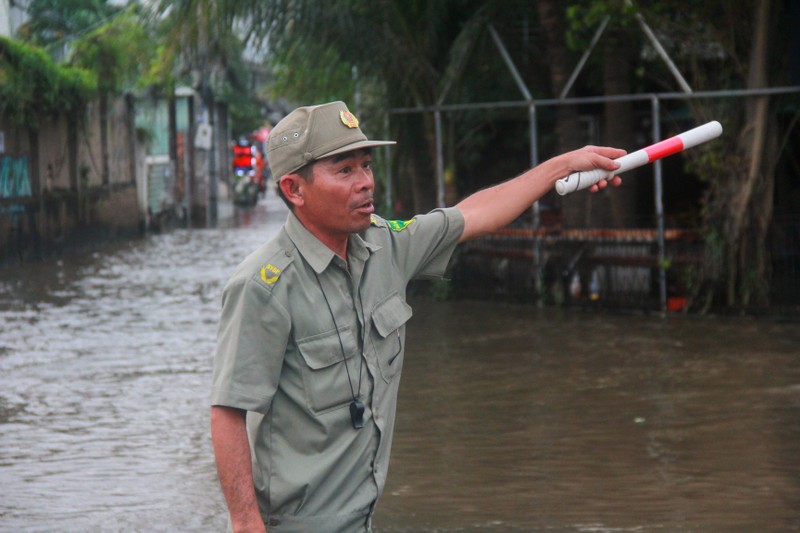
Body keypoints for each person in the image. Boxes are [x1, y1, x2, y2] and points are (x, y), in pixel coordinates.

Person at [210, 101, 624, 533]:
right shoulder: (263, 286)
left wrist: (562, 166)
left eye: (366, 165)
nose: (366, 182)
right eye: (345, 170)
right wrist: (244, 522)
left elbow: (475, 214)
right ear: (294, 189)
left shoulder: (385, 247)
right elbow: (228, 412)